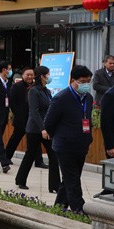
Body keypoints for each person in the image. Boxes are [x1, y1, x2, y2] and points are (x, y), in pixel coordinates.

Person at [44, 65, 94, 215]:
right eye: (83, 81)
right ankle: (79, 209)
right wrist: (60, 137)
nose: (86, 84)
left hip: (82, 143)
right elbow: (49, 123)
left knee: (70, 178)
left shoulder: (88, 98)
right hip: (64, 145)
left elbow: (88, 120)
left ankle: (59, 206)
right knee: (72, 179)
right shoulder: (61, 98)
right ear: (73, 80)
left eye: (88, 81)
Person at [15, 66, 60, 193]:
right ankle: (21, 180)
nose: (49, 77)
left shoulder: (46, 91)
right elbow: (34, 112)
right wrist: (42, 129)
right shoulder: (33, 91)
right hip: (35, 129)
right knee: (30, 155)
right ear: (42, 76)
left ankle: (55, 185)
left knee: (53, 155)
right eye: (48, 74)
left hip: (46, 128)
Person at [4, 68, 45, 168]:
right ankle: (6, 157)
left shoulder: (36, 87)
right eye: (28, 75)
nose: (30, 77)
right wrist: (18, 114)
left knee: (36, 140)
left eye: (32, 75)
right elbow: (12, 103)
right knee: (15, 138)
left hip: (33, 119)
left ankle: (39, 161)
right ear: (23, 75)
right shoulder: (16, 87)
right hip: (21, 118)